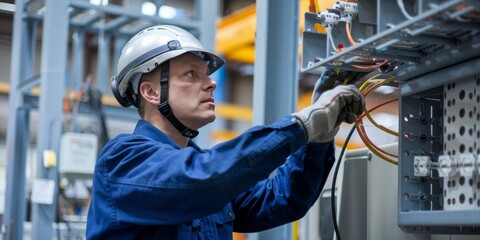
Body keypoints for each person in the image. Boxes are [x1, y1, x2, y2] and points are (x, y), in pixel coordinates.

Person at [86, 25, 364, 239]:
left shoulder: (206, 172)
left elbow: (284, 198)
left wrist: (319, 135)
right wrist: (299, 124)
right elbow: (201, 180)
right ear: (151, 92)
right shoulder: (123, 161)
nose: (211, 84)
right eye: (191, 75)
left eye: (206, 75)